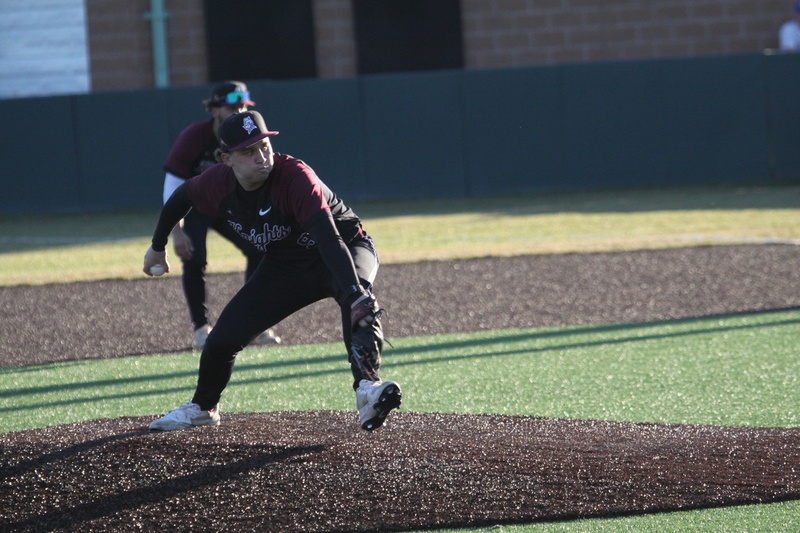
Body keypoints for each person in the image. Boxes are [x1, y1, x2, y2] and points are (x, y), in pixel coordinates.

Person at [143, 110, 402, 432]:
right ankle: (203, 407)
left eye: (264, 146)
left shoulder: (295, 176)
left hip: (346, 249)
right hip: (286, 264)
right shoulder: (218, 184)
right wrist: (157, 245)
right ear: (226, 158)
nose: (261, 157)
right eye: (248, 151)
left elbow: (328, 236)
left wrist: (353, 292)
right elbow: (181, 197)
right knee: (222, 341)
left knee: (359, 305)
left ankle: (368, 390)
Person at [162, 81, 280, 350]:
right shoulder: (194, 137)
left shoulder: (248, 135)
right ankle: (201, 327)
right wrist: (176, 231)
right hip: (194, 207)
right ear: (215, 110)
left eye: (243, 105)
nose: (239, 110)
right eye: (232, 106)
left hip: (230, 206)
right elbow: (172, 185)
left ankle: (255, 322)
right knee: (193, 257)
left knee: (259, 248)